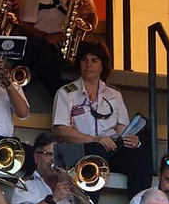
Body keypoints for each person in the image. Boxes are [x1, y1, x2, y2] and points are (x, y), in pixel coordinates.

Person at [53, 40, 153, 194]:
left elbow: (122, 131)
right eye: (84, 60)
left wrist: (133, 141)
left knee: (141, 156)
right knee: (96, 150)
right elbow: (60, 130)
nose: (88, 65)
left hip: (108, 151)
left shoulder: (114, 95)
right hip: (73, 152)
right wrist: (95, 140)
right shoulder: (66, 93)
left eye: (94, 60)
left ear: (103, 65)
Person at [14, 132, 96, 204]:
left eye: (59, 156)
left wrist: (76, 191)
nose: (54, 160)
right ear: (36, 156)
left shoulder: (70, 185)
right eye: (48, 154)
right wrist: (53, 199)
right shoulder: (25, 185)